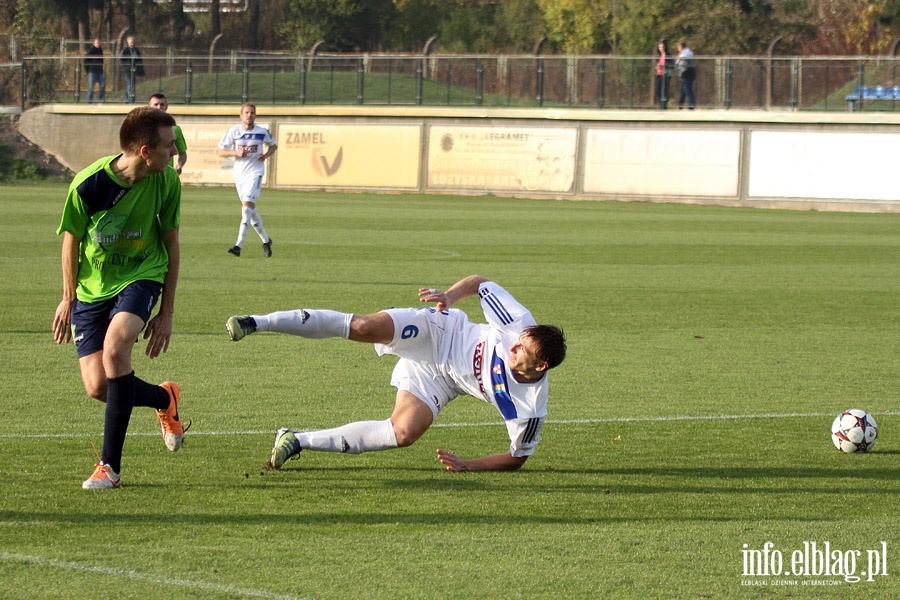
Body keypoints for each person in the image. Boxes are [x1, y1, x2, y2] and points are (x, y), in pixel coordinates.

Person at [225, 275, 567, 472]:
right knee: (361, 325)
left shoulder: (529, 407)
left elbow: (518, 456)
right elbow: (480, 284)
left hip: (442, 381)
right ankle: (256, 322)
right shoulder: (517, 322)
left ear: (541, 366)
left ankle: (296, 439)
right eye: (518, 343)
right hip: (438, 331)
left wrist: (469, 465)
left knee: (403, 433)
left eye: (522, 351)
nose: (513, 348)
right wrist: (449, 295)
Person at [52, 106, 187, 489]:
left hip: (143, 274)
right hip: (93, 288)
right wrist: (68, 297)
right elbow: (71, 241)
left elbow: (172, 246)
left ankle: (109, 467)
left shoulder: (166, 183)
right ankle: (164, 399)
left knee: (116, 349)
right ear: (145, 151)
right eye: (168, 145)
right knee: (98, 386)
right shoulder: (88, 184)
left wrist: (168, 311)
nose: (175, 151)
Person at [217, 102, 277, 258]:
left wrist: (265, 156)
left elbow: (273, 146)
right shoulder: (234, 132)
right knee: (250, 212)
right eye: (247, 113)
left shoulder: (262, 132)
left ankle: (238, 246)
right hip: (239, 175)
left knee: (245, 210)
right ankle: (266, 240)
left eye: (252, 113)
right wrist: (236, 153)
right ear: (241, 115)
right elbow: (221, 152)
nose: (249, 115)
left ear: (255, 115)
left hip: (255, 173)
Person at [149, 93, 188, 175]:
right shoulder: (142, 127)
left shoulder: (175, 129)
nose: (159, 107)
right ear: (149, 107)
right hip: (147, 173)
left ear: (166, 107)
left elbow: (182, 154)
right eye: (156, 104)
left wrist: (179, 165)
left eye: (162, 104)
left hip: (166, 174)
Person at [120, 35, 144, 104]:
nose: (132, 43)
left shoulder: (136, 50)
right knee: (129, 84)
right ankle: (131, 100)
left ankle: (125, 100)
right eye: (130, 42)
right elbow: (122, 59)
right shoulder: (125, 50)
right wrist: (128, 64)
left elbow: (139, 60)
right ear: (128, 42)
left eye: (133, 42)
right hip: (127, 70)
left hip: (134, 69)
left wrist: (140, 69)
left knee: (130, 84)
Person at [83, 38, 105, 104]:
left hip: (100, 71)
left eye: (99, 43)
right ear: (94, 43)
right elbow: (85, 61)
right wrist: (88, 71)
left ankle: (99, 101)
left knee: (102, 85)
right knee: (91, 87)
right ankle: (89, 102)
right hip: (92, 72)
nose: (98, 44)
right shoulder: (91, 50)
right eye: (97, 43)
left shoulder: (100, 50)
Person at [676, 41, 697, 109]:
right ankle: (680, 104)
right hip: (684, 73)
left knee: (688, 90)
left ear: (681, 47)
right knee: (683, 90)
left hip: (686, 73)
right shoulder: (684, 53)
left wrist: (680, 71)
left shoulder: (686, 53)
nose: (678, 49)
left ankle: (691, 104)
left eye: (679, 47)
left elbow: (683, 62)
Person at [654, 39, 673, 110]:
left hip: (666, 74)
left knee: (665, 91)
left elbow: (672, 65)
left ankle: (664, 105)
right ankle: (661, 104)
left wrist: (664, 66)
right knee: (658, 90)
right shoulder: (659, 55)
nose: (661, 49)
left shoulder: (668, 55)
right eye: (660, 47)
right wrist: (657, 67)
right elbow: (657, 64)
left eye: (662, 47)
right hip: (659, 74)